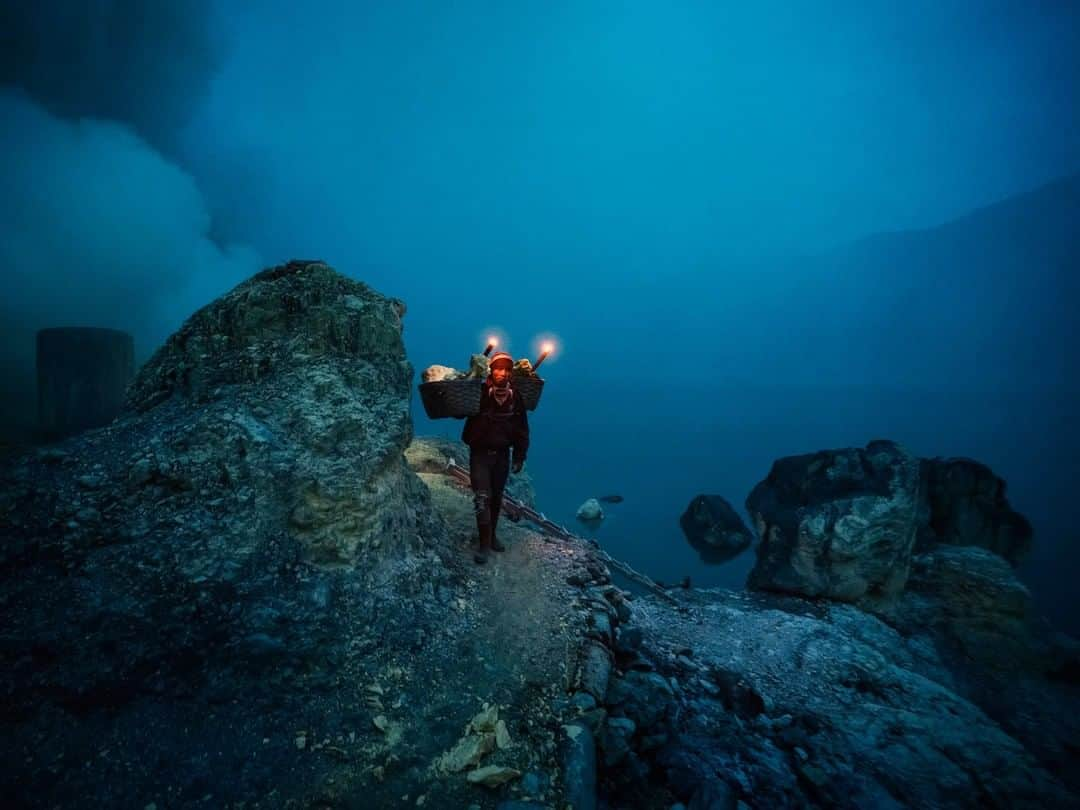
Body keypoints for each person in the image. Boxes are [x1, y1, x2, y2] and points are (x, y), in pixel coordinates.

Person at [461, 350, 529, 564]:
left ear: (511, 373)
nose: (503, 372)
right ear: (491, 369)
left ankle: (492, 537)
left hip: (502, 455)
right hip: (480, 454)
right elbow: (459, 412)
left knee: (497, 497)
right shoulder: (478, 392)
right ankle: (483, 545)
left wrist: (519, 455)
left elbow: (521, 429)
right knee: (482, 497)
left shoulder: (514, 396)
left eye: (507, 369)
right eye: (498, 368)